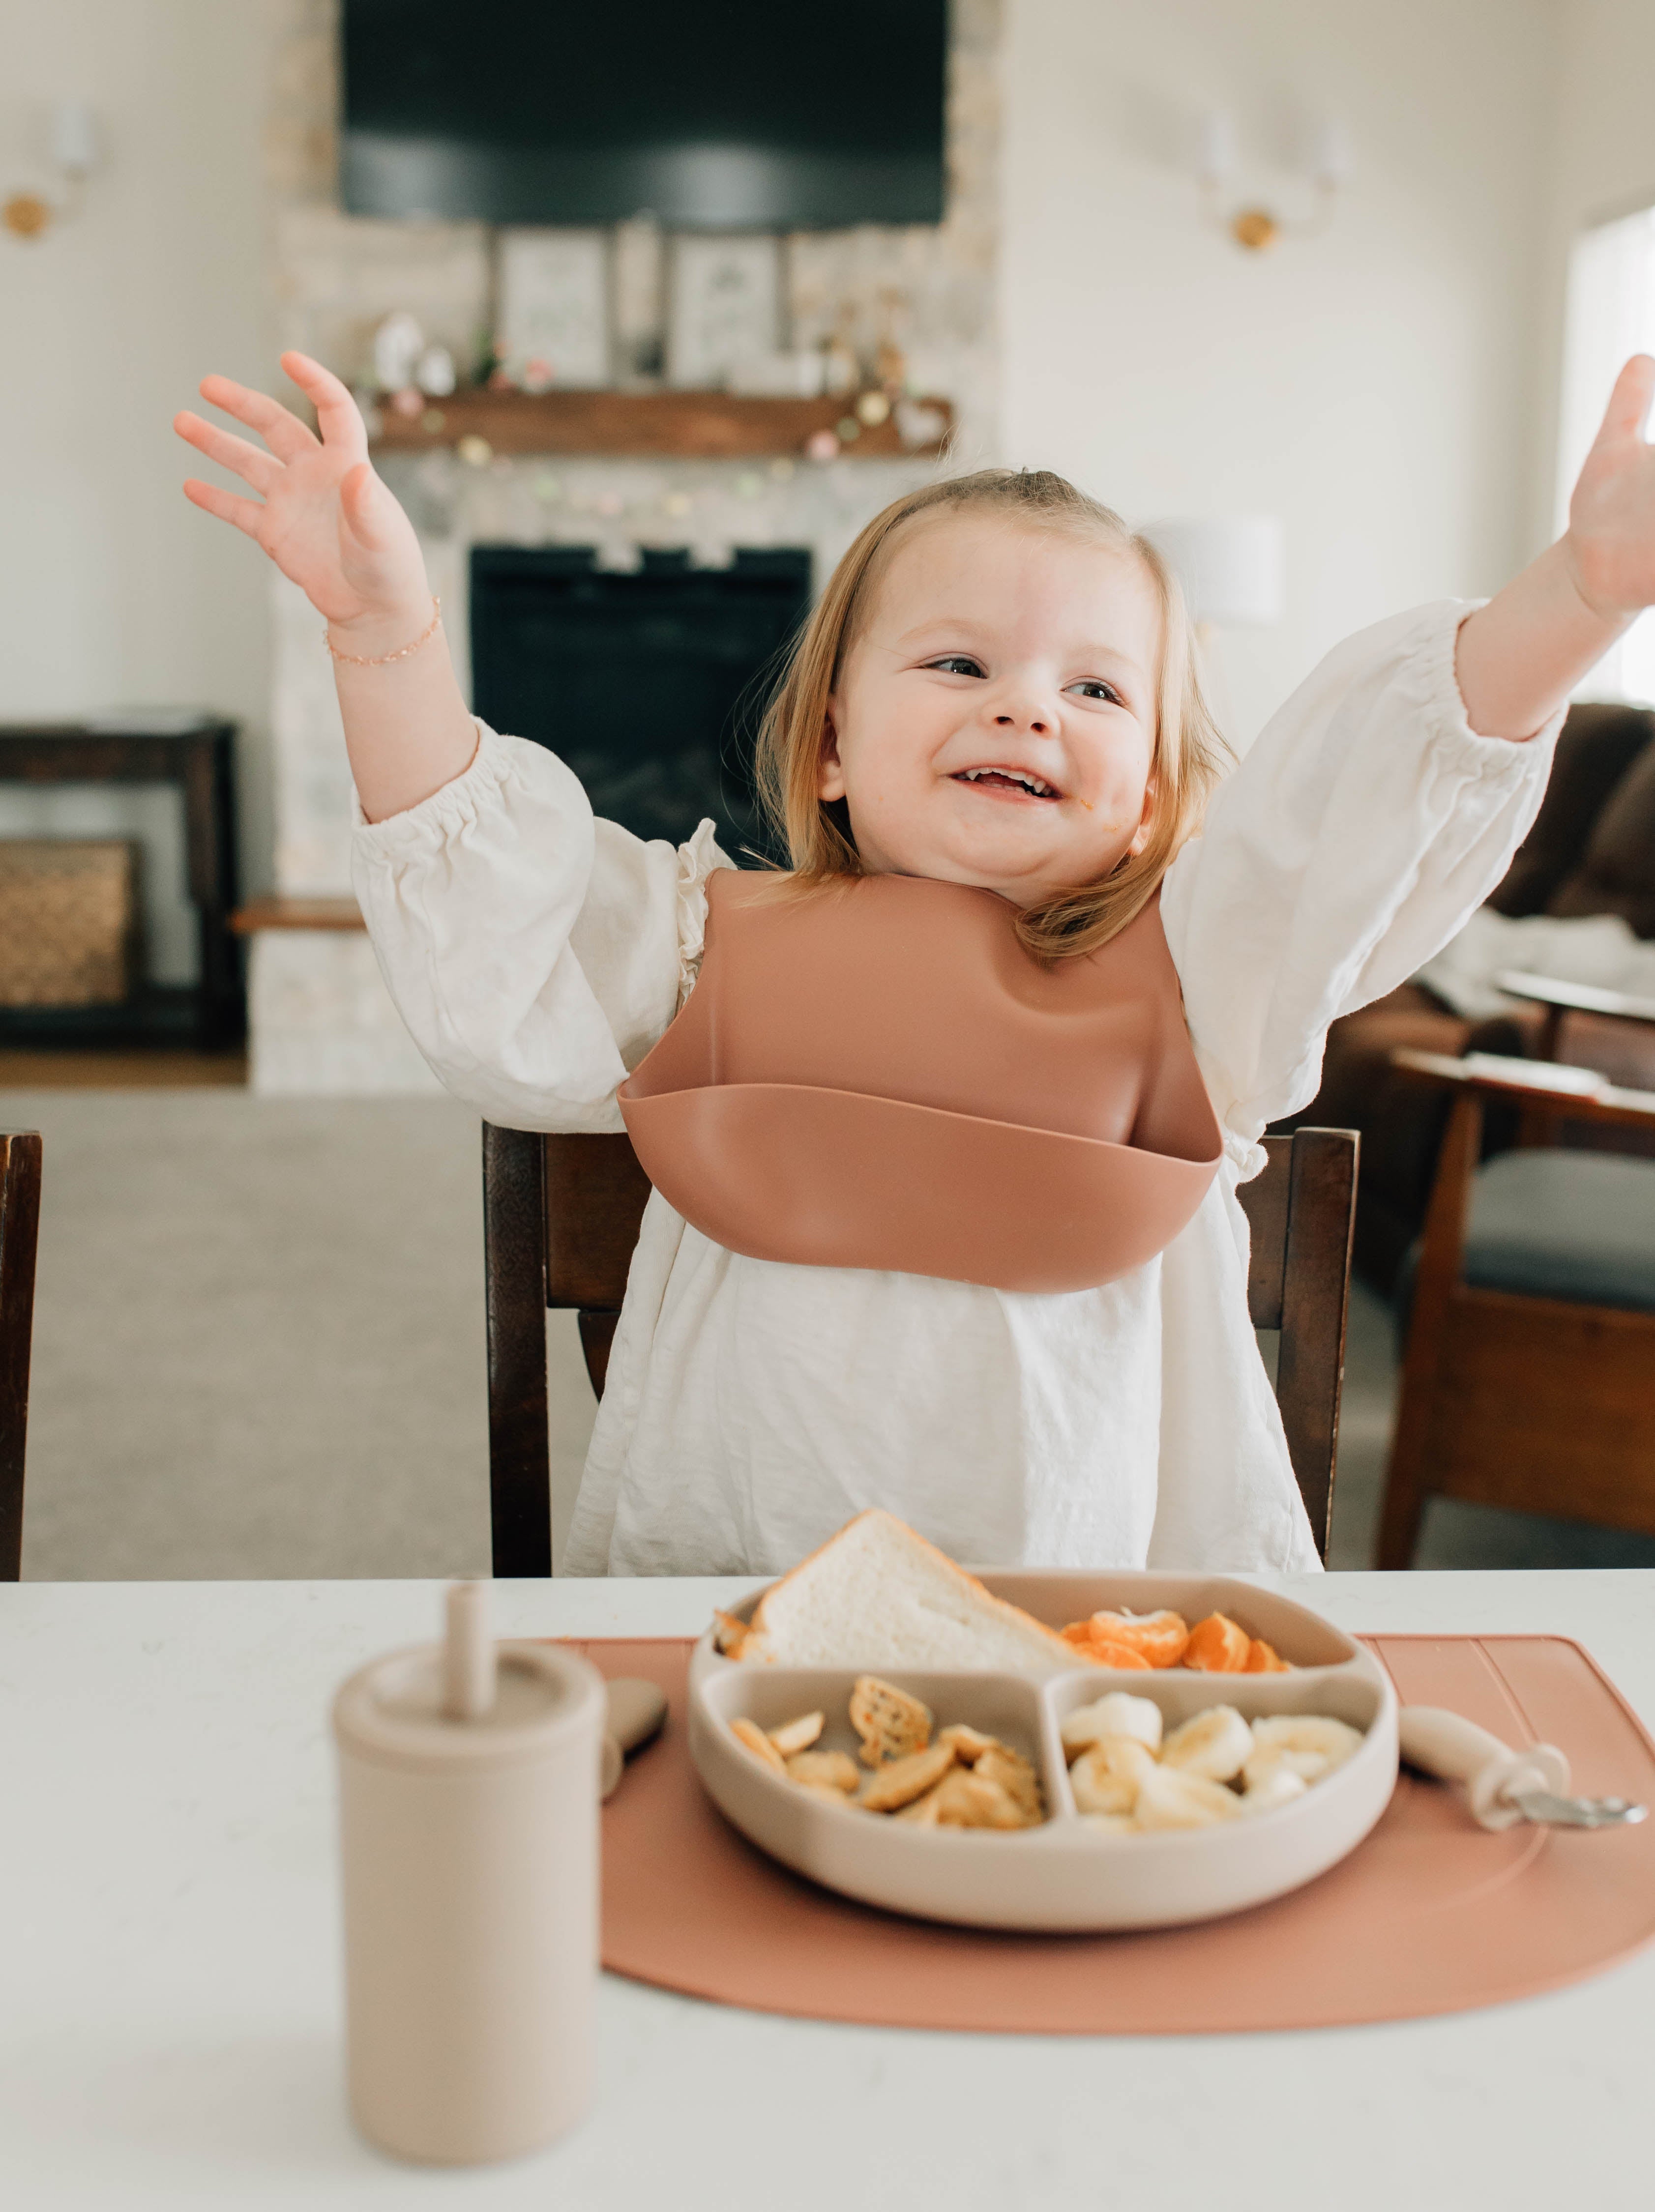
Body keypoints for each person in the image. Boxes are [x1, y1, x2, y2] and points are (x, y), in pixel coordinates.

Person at [176, 352, 1655, 1577]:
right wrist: (384, 631)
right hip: (742, 1602)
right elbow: (501, 899)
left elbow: (1360, 790)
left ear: (1147, 793)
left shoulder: (1208, 968)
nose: (1026, 709)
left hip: (1093, 1624)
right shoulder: (707, 940)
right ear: (826, 746)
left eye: (1092, 687)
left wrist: (1578, 597)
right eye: (959, 664)